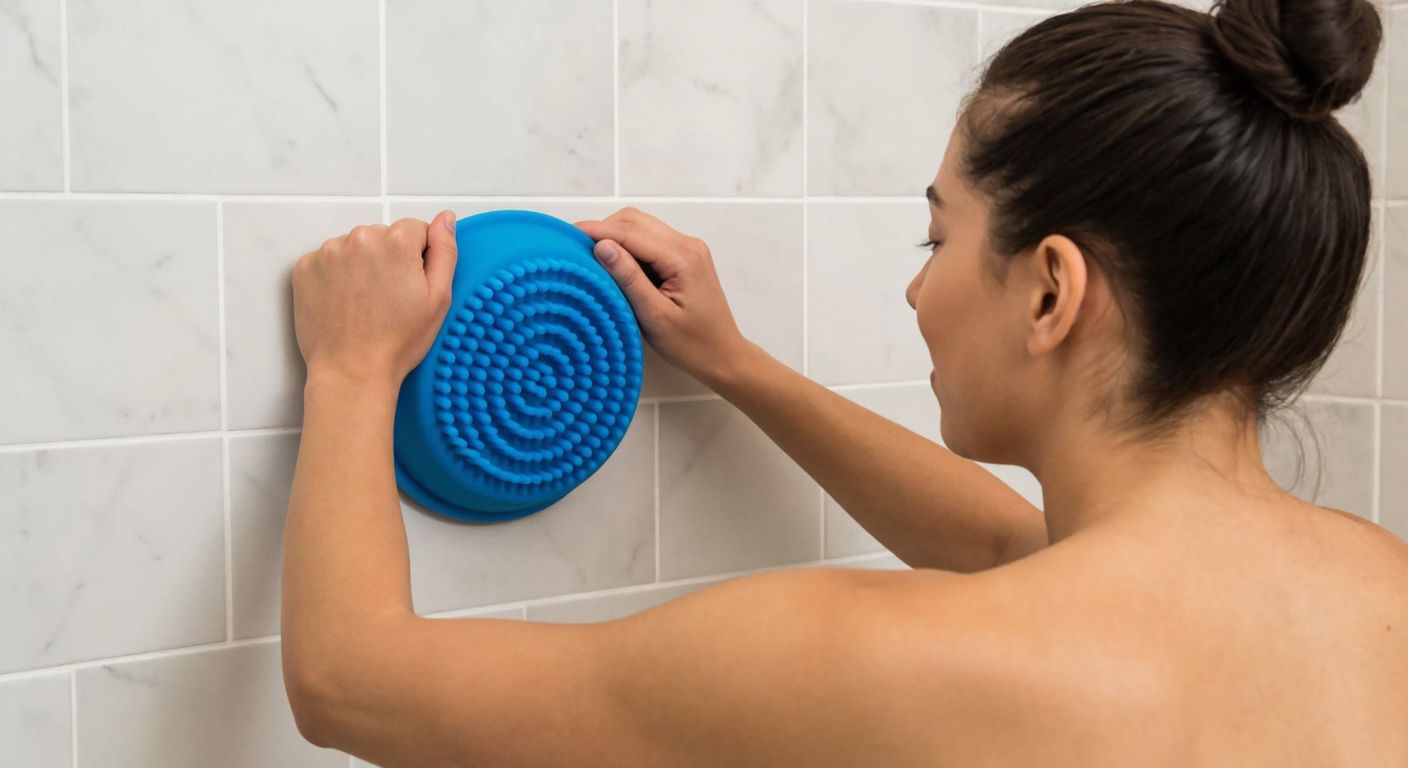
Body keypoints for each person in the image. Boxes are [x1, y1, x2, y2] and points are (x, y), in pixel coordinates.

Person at [279, 0, 1407, 764]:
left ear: (1050, 293)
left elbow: (350, 683)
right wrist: (737, 367)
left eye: (938, 238)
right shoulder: (1375, 588)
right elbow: (1019, 558)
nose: (918, 291)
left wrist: (353, 364)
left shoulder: (886, 659)